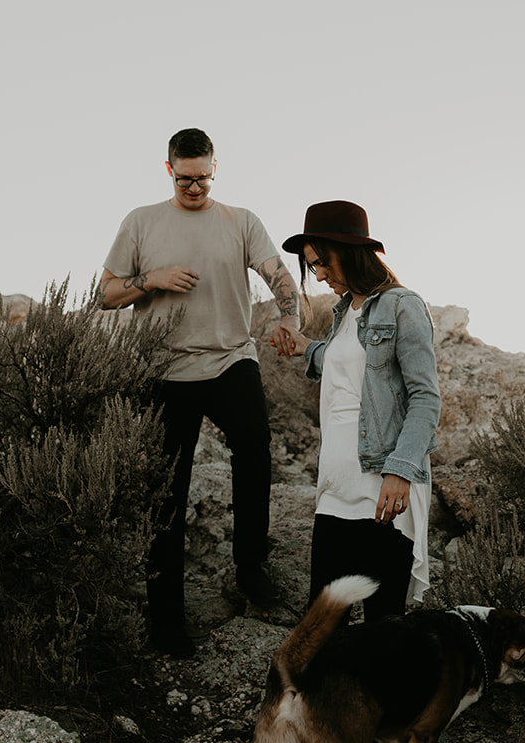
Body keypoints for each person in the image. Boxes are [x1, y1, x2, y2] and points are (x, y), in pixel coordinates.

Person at [98, 128, 301, 658]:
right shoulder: (141, 221)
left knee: (256, 448)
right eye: (185, 178)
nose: (194, 188)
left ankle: (250, 568)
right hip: (164, 370)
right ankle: (167, 623)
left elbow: (278, 274)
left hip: (231, 357)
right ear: (168, 170)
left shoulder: (241, 221)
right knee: (166, 490)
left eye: (203, 178)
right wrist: (154, 278)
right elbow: (107, 294)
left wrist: (289, 318)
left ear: (216, 169)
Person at [272, 200, 440, 621]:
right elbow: (344, 366)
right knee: (323, 629)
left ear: (346, 250)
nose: (320, 275)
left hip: (382, 490)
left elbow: (425, 396)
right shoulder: (345, 312)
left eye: (321, 263)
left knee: (382, 632)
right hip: (335, 488)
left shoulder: (402, 305)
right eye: (312, 267)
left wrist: (400, 469)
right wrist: (302, 349)